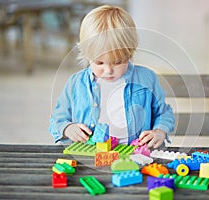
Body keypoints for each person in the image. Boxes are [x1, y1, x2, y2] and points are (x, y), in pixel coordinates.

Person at [49, 5, 175, 148]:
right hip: (92, 156)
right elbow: (57, 119)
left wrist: (160, 131)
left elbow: (164, 112)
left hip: (135, 155)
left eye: (118, 62)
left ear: (129, 53)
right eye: (99, 62)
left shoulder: (147, 78)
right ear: (87, 55)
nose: (108, 70)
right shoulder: (76, 83)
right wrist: (67, 128)